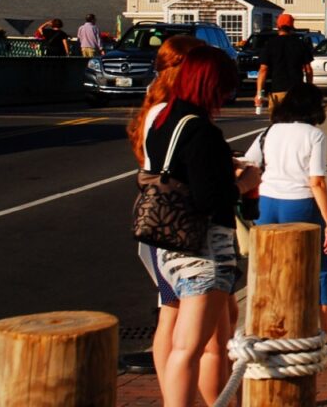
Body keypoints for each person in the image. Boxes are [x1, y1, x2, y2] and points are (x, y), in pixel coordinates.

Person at [144, 45, 261, 407]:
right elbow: (212, 197)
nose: (227, 96)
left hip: (170, 243)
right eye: (224, 87)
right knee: (191, 347)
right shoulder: (202, 132)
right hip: (204, 250)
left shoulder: (164, 120)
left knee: (190, 342)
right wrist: (246, 180)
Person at [128, 34, 205, 400]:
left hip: (157, 224)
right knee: (191, 335)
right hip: (178, 226)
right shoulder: (175, 112)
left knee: (169, 312)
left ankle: (171, 392)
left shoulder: (153, 109)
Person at [244, 82, 327, 346]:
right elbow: (317, 182)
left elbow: (248, 162)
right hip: (300, 203)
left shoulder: (269, 131)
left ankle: (270, 325)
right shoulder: (314, 135)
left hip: (267, 202)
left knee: (270, 264)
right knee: (320, 266)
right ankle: (324, 330)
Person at [255, 13, 313, 114]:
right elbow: (308, 70)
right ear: (292, 27)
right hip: (296, 92)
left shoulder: (270, 44)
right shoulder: (300, 44)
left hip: (277, 91)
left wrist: (259, 93)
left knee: (278, 124)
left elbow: (263, 69)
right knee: (296, 122)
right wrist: (308, 88)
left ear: (278, 27)